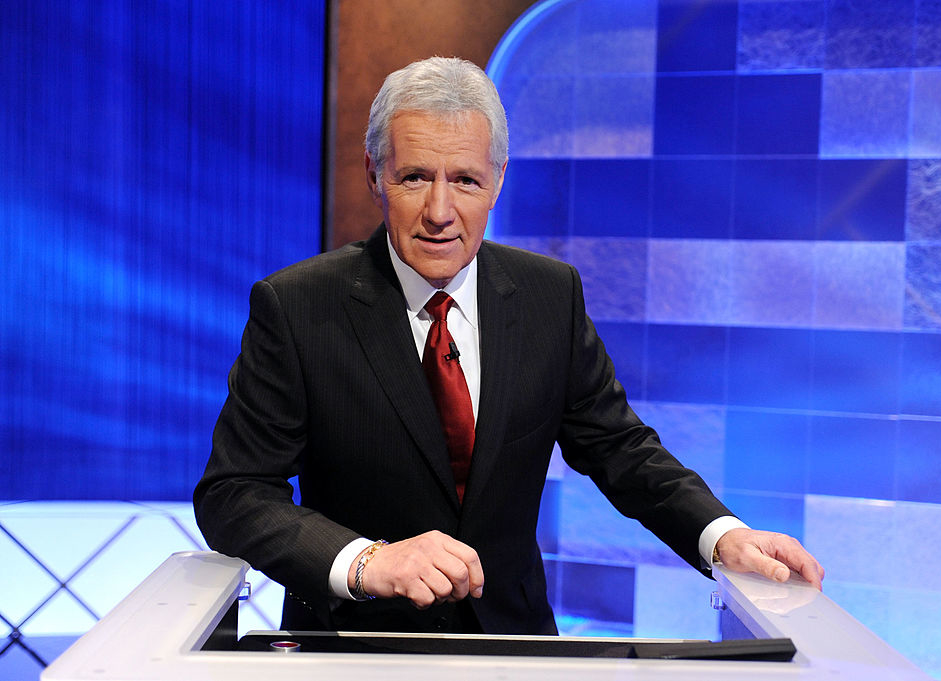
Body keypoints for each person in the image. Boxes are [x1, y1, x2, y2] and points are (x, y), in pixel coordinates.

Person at [194, 56, 823, 635]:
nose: (440, 210)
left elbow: (620, 448)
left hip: (514, 644)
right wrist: (366, 563)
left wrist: (721, 537)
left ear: (498, 181)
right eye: (414, 176)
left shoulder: (549, 295)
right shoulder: (298, 307)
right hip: (353, 646)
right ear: (374, 174)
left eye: (465, 180)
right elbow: (235, 494)